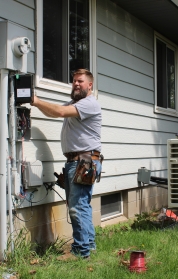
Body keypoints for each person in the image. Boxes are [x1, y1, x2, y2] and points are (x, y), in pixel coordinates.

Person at [30, 69, 102, 260]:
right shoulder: (74, 103)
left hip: (84, 161)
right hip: (78, 161)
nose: (76, 84)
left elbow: (60, 111)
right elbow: (53, 112)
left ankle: (80, 252)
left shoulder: (89, 104)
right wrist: (34, 102)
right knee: (82, 205)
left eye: (80, 81)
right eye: (74, 81)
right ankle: (89, 246)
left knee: (77, 207)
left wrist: (35, 100)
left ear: (90, 85)